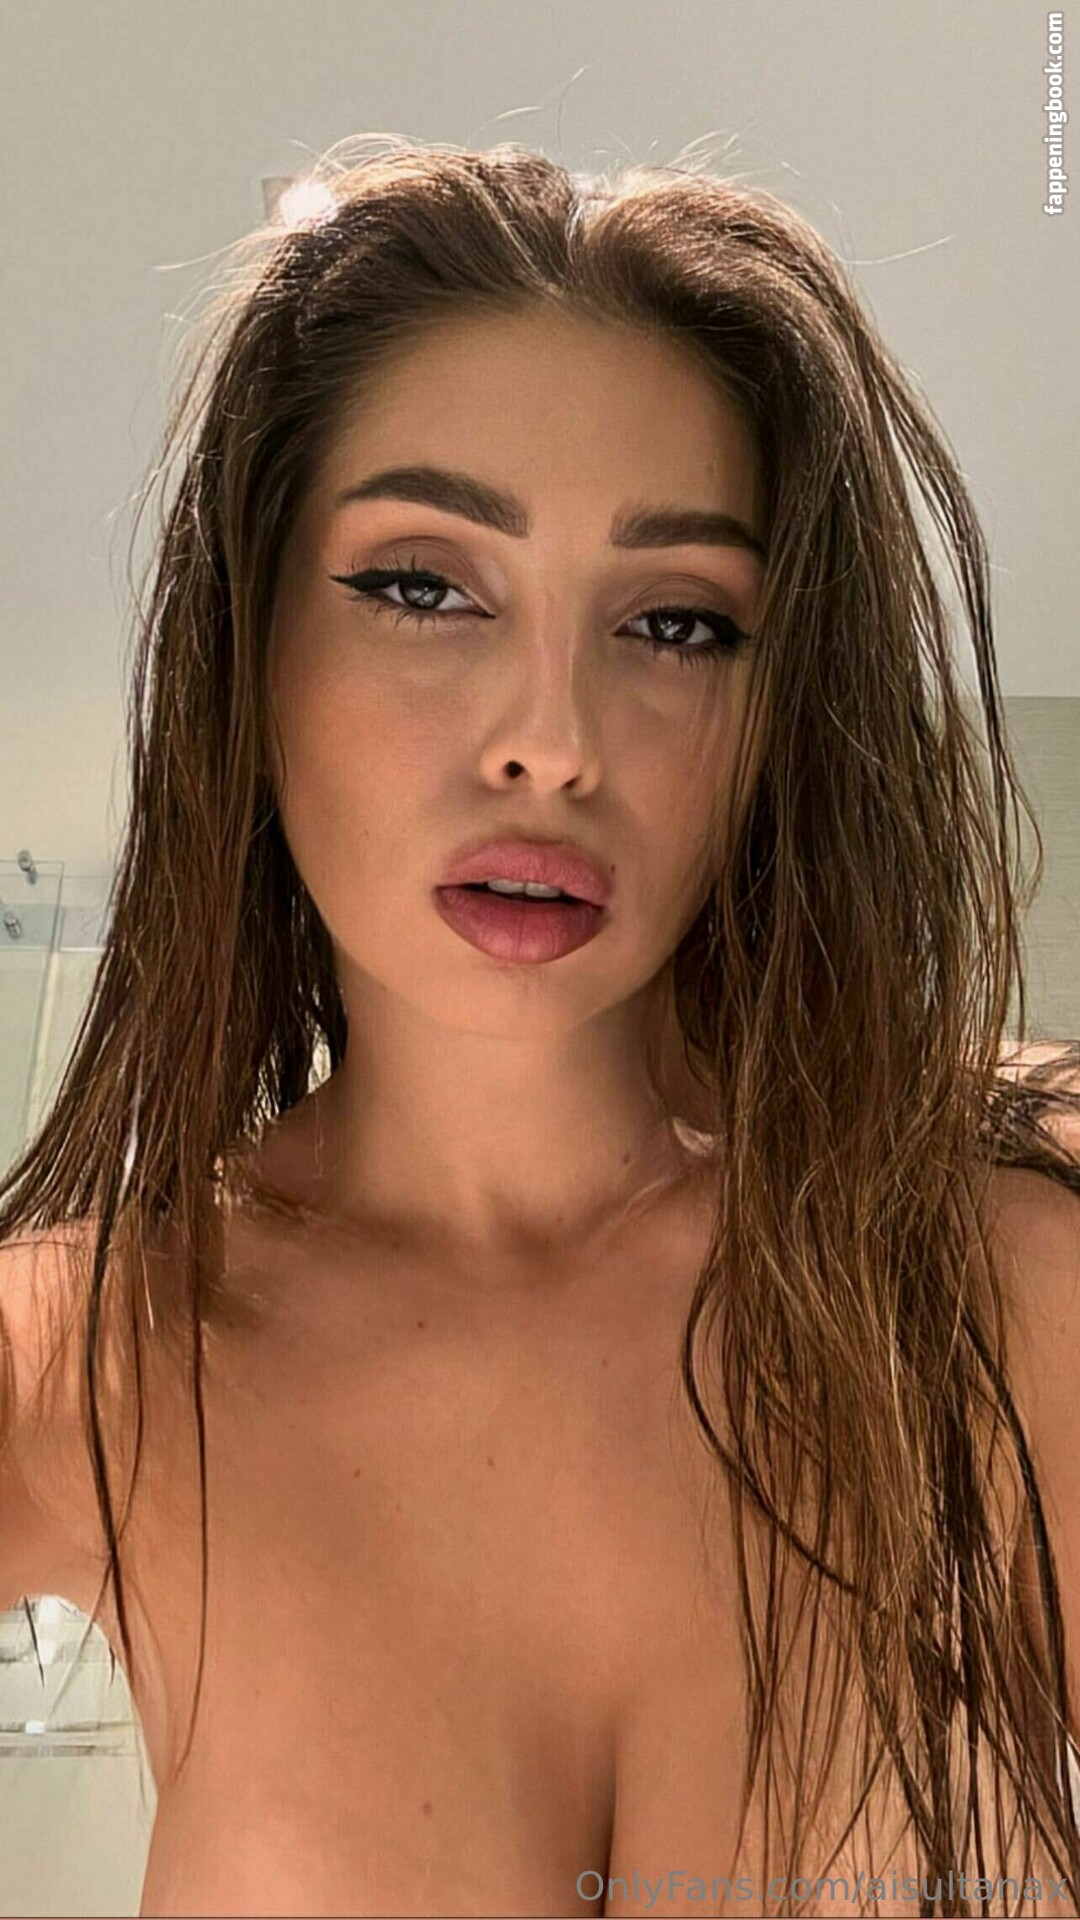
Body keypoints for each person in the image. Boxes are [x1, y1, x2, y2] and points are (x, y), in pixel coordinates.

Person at [1, 137, 1079, 1920]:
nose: (553, 741)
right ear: (249, 647)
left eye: (678, 622)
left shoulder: (1001, 1272)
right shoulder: (89, 1357)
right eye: (423, 586)